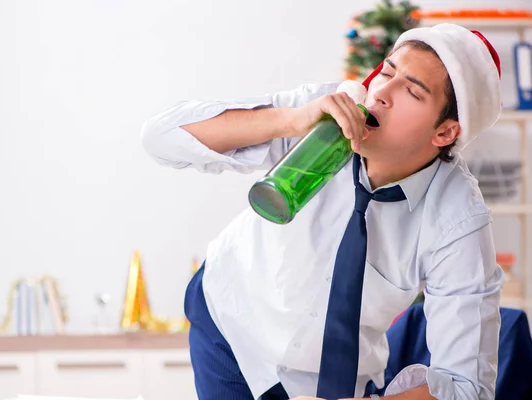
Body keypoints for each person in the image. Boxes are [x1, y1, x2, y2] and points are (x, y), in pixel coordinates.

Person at [141, 23, 504, 400]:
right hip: (233, 322)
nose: (381, 93)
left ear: (444, 133)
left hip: (330, 381)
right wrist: (292, 120)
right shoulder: (326, 114)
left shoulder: (458, 219)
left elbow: (468, 387)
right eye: (388, 71)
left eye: (411, 91)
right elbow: (160, 137)